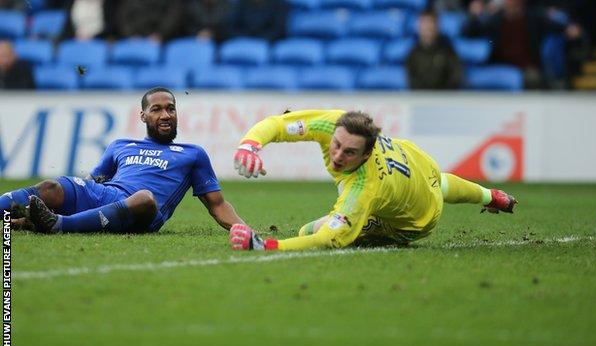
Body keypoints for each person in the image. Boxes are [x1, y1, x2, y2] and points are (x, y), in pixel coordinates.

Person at [228, 110, 517, 251]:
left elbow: (328, 238)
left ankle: (487, 196)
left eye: (350, 152)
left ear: (366, 156)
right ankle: (492, 196)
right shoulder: (333, 123)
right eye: (337, 144)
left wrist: (266, 246)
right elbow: (278, 124)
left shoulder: (364, 188)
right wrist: (250, 145)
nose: (338, 155)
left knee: (309, 229)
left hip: (414, 223)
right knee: (437, 182)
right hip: (417, 161)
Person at [1, 87, 246, 234]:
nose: (165, 115)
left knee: (145, 197)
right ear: (143, 116)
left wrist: (244, 231)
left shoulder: (193, 153)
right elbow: (93, 181)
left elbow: (217, 205)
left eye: (170, 109)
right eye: (157, 109)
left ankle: (59, 224)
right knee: (50, 188)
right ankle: (27, 219)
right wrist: (72, 190)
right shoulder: (120, 145)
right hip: (103, 197)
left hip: (142, 209)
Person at [405, 10, 463, 90]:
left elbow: (456, 76)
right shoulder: (413, 54)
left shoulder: (448, 51)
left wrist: (441, 96)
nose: (428, 27)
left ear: (437, 26)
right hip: (420, 99)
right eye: (425, 23)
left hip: (445, 99)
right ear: (418, 26)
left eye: (431, 23)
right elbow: (412, 80)